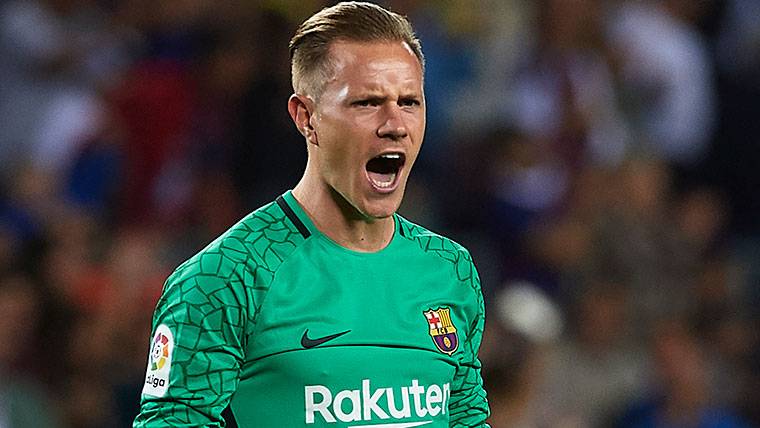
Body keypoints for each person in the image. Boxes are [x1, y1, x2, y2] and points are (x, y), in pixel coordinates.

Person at [133, 2, 490, 427]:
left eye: (410, 101)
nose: (395, 123)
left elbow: (467, 419)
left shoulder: (450, 270)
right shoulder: (225, 278)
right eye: (367, 102)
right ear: (306, 118)